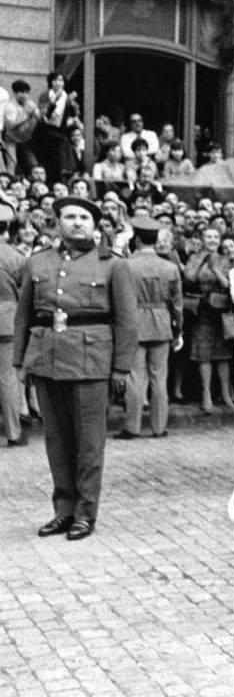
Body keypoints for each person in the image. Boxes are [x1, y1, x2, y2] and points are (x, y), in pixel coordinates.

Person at [14, 196, 137, 540]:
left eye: (84, 216)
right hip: (47, 358)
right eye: (70, 216)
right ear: (58, 222)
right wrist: (21, 360)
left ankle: (85, 513)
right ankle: (63, 511)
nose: (78, 222)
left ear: (95, 225)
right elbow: (25, 313)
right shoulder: (38, 263)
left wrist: (122, 368)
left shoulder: (114, 265)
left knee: (88, 443)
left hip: (91, 362)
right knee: (57, 440)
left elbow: (127, 321)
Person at [114, 216, 183, 440]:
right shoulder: (170, 267)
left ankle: (132, 427)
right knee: (159, 378)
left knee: (135, 377)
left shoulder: (125, 264)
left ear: (137, 239)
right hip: (162, 322)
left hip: (133, 321)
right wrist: (178, 329)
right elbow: (177, 304)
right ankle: (158, 427)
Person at [183, 227, 233, 413]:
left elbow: (227, 283)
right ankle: (207, 396)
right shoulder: (195, 257)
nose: (212, 240)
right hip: (201, 310)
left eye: (215, 237)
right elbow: (189, 278)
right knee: (204, 354)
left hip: (219, 309)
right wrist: (202, 259)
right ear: (202, 239)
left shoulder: (225, 259)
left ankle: (226, 394)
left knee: (223, 354)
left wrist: (215, 269)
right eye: (208, 236)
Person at [0, 202, 26, 445]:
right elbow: (25, 292)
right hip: (8, 319)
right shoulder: (16, 257)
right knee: (8, 377)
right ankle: (13, 432)